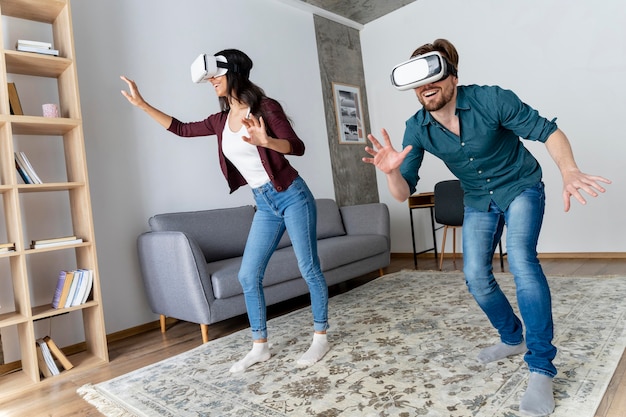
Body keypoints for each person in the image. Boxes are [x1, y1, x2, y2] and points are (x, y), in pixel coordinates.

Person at [363, 39, 610, 416]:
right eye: (418, 83)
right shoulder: (417, 127)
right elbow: (401, 194)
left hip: (520, 185)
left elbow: (548, 132)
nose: (426, 87)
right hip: (478, 197)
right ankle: (513, 338)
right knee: (476, 276)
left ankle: (541, 367)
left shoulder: (491, 99)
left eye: (433, 77)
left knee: (522, 263)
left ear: (453, 77)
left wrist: (570, 170)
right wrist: (393, 171)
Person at [120, 49, 330, 373]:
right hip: (264, 204)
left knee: (308, 267)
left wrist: (267, 141)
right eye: (209, 77)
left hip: (292, 195)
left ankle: (320, 336)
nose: (211, 82)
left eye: (215, 75)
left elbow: (296, 146)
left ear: (232, 73)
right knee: (248, 275)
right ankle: (260, 346)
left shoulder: (265, 108)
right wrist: (142, 104)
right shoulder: (220, 121)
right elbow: (181, 128)